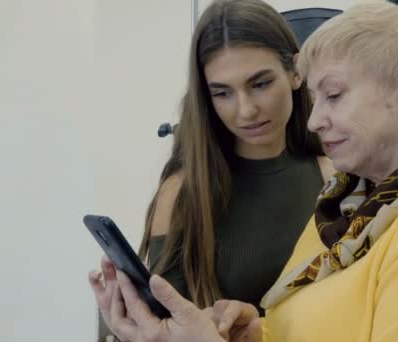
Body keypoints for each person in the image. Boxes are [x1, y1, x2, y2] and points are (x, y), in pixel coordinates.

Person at [97, 1, 398, 341]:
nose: (312, 120)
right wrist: (258, 332)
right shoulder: (347, 205)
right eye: (316, 96)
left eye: (334, 95)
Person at [88, 0, 335, 340]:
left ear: (295, 72)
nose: (246, 110)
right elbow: (164, 326)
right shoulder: (182, 193)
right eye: (223, 93)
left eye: (260, 83)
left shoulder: (333, 178)